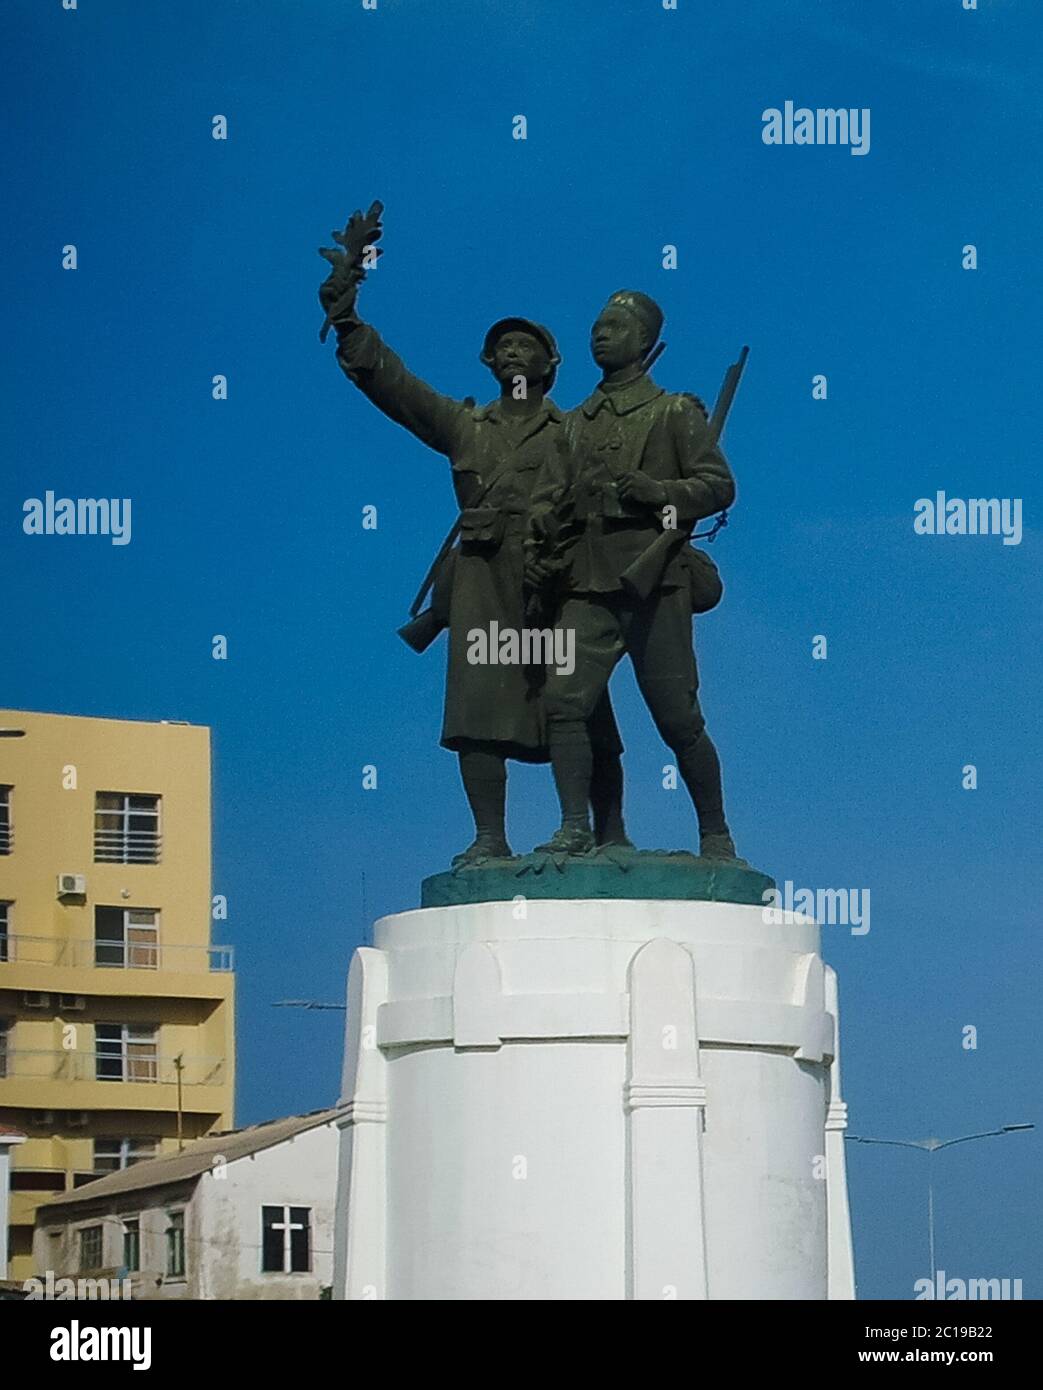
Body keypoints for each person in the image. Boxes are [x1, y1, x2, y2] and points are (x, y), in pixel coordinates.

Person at [321, 271, 629, 865]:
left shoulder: (574, 432)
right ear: (490, 361)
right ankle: (490, 838)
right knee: (479, 714)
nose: (514, 351)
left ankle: (587, 829)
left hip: (554, 582)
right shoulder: (465, 426)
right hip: (484, 584)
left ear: (549, 363)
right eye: (504, 345)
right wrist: (348, 323)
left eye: (527, 345)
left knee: (578, 708)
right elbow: (397, 387)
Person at [527, 290, 740, 860]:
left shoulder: (673, 412)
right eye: (597, 324)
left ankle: (715, 834)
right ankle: (576, 827)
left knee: (678, 718)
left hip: (654, 583)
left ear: (644, 341)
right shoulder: (573, 425)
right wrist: (547, 518)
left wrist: (660, 494)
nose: (601, 333)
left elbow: (718, 486)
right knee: (564, 701)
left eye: (616, 326)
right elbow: (545, 499)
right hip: (586, 581)